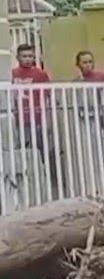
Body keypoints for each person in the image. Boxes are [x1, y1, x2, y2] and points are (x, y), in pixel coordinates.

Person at [10, 44, 59, 191]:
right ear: (18, 57)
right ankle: (23, 181)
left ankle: (43, 180)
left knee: (40, 150)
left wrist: (50, 117)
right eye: (24, 56)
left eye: (30, 56)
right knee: (19, 150)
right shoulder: (12, 74)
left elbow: (50, 96)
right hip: (17, 119)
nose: (27, 59)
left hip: (37, 118)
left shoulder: (40, 74)